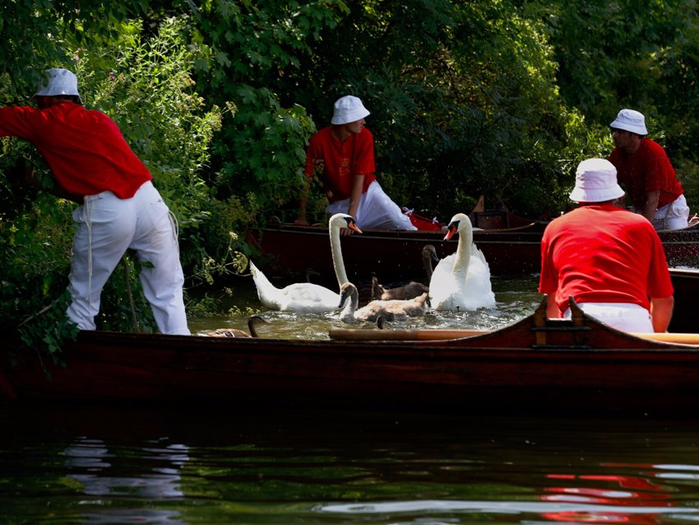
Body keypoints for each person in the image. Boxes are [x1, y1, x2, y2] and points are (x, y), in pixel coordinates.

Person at [0, 68, 190, 335]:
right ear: (77, 98)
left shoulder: (43, 120)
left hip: (110, 208)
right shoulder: (101, 120)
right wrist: (37, 182)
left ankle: (77, 360)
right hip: (150, 202)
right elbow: (90, 184)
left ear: (45, 100)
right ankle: (185, 354)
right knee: (168, 292)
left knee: (83, 298)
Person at [539, 158, 674, 333]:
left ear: (578, 195)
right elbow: (664, 300)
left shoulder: (555, 228)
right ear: (617, 195)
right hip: (633, 320)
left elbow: (551, 303)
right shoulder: (642, 225)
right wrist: (657, 340)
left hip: (578, 319)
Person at [295, 95, 417, 231]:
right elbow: (306, 180)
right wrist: (302, 216)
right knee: (339, 234)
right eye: (359, 118)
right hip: (339, 202)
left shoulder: (365, 136)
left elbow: (359, 178)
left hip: (368, 194)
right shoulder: (319, 141)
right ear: (347, 121)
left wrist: (350, 218)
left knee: (400, 222)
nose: (364, 122)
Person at [608, 108, 689, 230]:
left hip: (670, 210)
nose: (615, 136)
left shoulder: (653, 153)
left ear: (633, 135)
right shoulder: (617, 155)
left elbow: (653, 198)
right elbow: (611, 188)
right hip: (642, 209)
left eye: (620, 132)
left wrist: (644, 230)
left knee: (677, 241)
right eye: (615, 131)